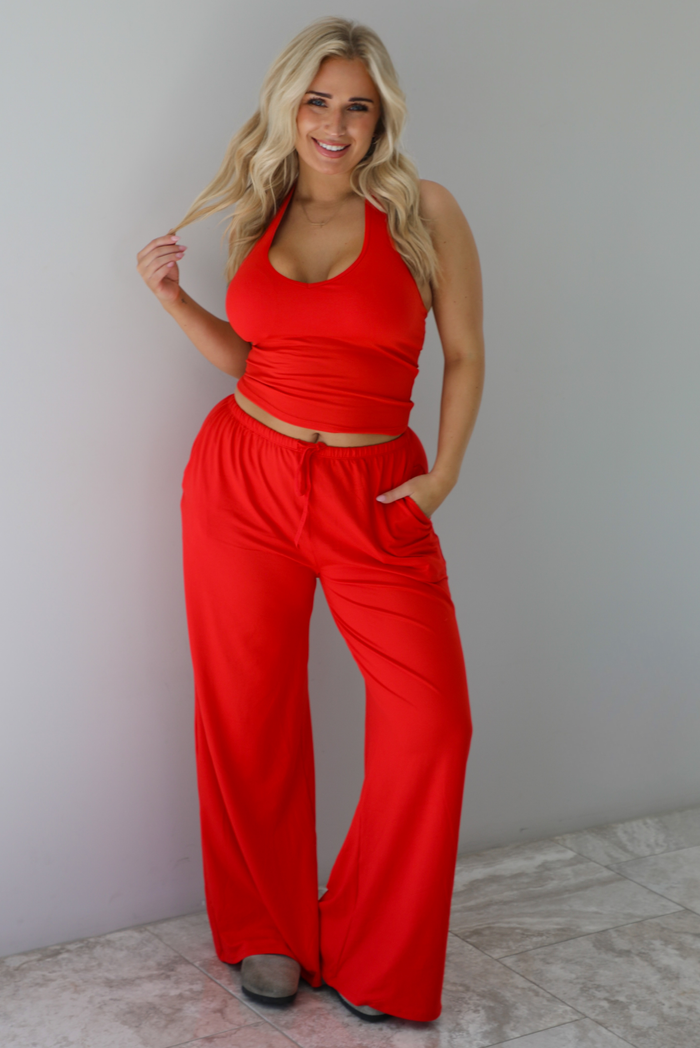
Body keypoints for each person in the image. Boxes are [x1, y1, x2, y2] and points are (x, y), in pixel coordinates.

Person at [136, 16, 484, 1025]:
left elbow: (463, 353)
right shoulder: (262, 208)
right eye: (318, 99)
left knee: (433, 722)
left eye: (356, 104)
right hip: (242, 475)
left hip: (376, 494)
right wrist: (173, 303)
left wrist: (442, 478)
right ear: (289, 104)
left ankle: (371, 948)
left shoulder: (425, 210)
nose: (334, 122)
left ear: (382, 117)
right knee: (248, 711)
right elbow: (259, 362)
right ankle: (267, 933)